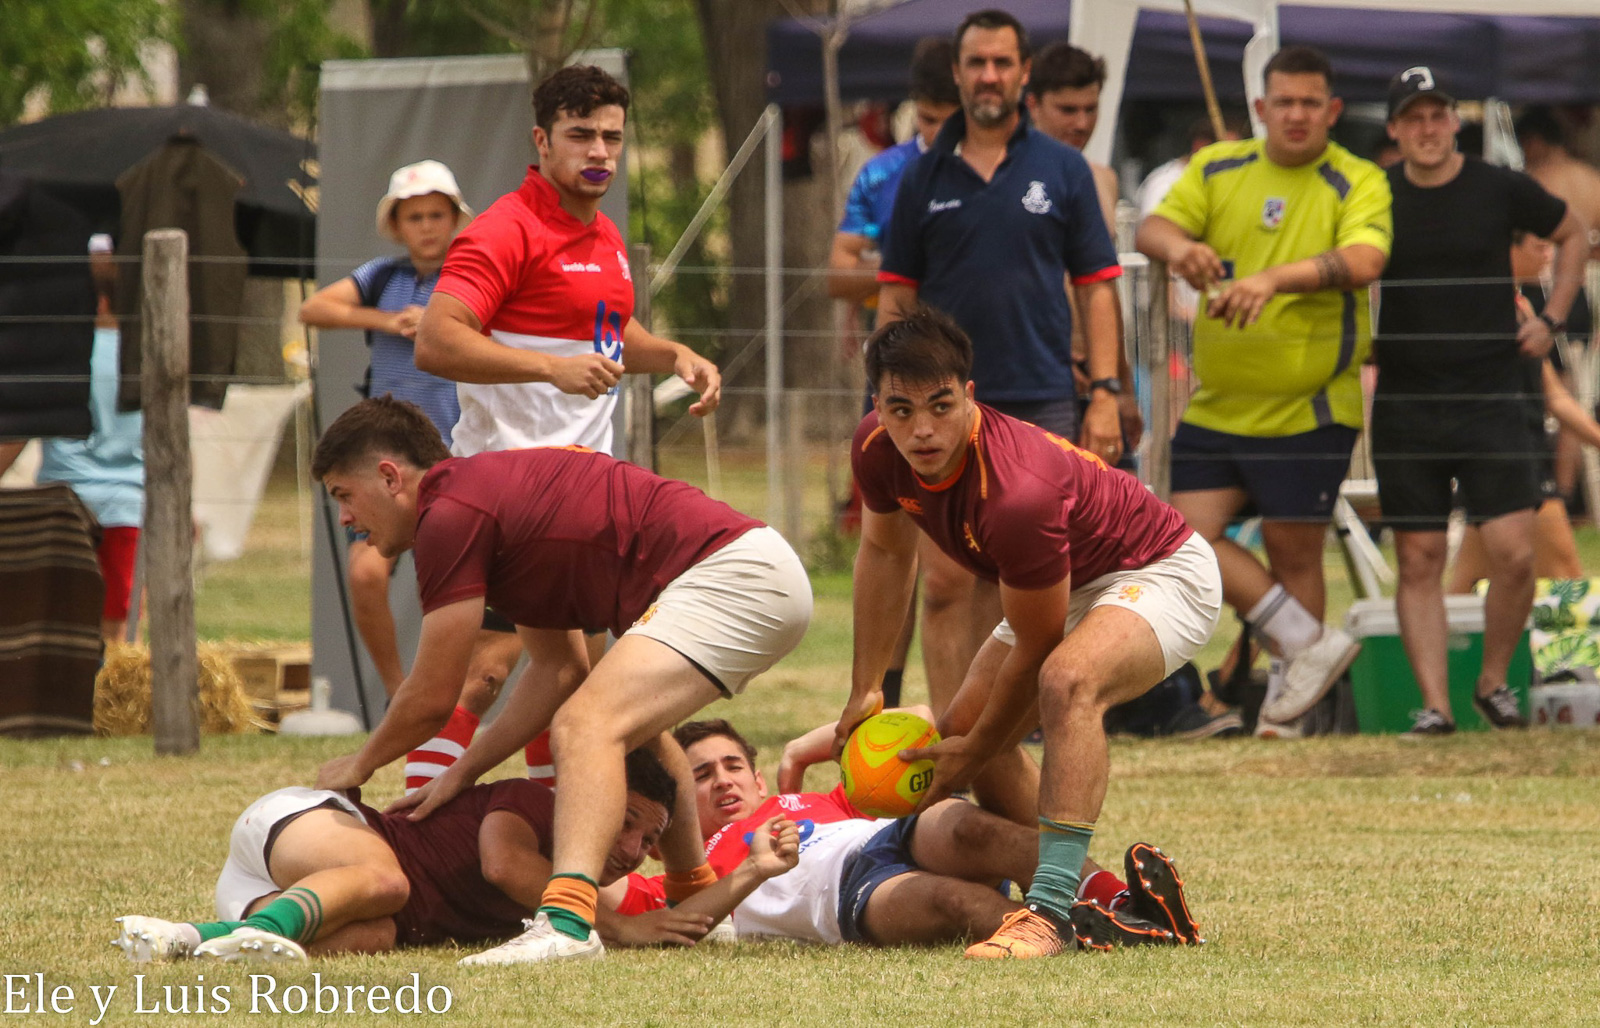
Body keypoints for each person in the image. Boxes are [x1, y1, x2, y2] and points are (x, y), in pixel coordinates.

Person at [308, 396, 812, 965]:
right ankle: (697, 900)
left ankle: (567, 924)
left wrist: (360, 763)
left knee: (587, 723)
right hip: (753, 570)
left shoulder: (448, 515)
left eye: (343, 496)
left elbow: (431, 696)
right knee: (622, 723)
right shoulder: (484, 502)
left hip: (735, 575)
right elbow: (557, 669)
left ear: (389, 476)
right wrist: (465, 771)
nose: (346, 519)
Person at [833, 306, 1220, 959]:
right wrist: (866, 687)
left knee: (1066, 684)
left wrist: (979, 747)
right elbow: (886, 554)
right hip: (1066, 584)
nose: (922, 429)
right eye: (901, 410)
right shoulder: (875, 448)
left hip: (1159, 572)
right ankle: (1111, 901)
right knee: (959, 739)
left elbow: (1040, 649)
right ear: (878, 404)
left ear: (970, 396)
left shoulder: (1017, 493)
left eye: (941, 405)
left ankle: (1046, 913)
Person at [413, 64, 723, 787]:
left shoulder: (606, 235)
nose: (600, 152)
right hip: (507, 493)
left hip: (581, 500)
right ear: (541, 140)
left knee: (578, 680)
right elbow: (437, 339)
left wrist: (674, 353)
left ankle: (551, 820)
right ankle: (415, 822)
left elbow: (608, 338)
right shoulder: (504, 230)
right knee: (496, 670)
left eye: (612, 138)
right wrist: (546, 370)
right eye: (581, 134)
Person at [1135, 45, 1392, 734]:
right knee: (1180, 542)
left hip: (1306, 405)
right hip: (1217, 403)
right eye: (1286, 102)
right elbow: (1151, 226)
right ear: (1261, 108)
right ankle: (1310, 646)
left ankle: (1291, 712)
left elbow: (1367, 259)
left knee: (1292, 553)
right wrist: (1178, 249)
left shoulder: (1356, 177)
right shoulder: (1219, 166)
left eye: (1312, 103)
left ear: (1333, 110)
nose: (1298, 115)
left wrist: (1272, 279)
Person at [877, 10, 1125, 717]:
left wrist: (1104, 391)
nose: (990, 76)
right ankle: (957, 739)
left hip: (1041, 397)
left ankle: (1020, 724)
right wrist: (889, 401)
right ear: (957, 74)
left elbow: (1097, 287)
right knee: (948, 583)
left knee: (1031, 573)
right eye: (977, 63)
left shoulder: (1064, 168)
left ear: (1023, 73)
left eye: (1002, 63)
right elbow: (896, 298)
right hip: (941, 409)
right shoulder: (921, 177)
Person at [112, 749, 793, 961]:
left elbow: (675, 920)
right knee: (386, 883)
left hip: (304, 897)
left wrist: (756, 871)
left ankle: (193, 939)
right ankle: (258, 933)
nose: (633, 850)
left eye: (648, 841)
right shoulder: (533, 805)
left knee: (377, 931)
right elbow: (503, 866)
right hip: (306, 827)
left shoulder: (582, 879)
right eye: (626, 824)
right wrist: (614, 926)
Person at [1377, 68, 1590, 736]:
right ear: (1394, 129)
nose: (1428, 128)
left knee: (1524, 554)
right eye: (1414, 117)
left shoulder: (1498, 186)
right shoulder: (1373, 196)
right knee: (1420, 559)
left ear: (1454, 122)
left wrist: (1551, 319)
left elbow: (1575, 232)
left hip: (1494, 398)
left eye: (1437, 115)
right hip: (1408, 402)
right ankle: (1437, 706)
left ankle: (1499, 680)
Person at [299, 160, 521, 792]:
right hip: (386, 468)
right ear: (396, 225)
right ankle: (405, 694)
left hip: (451, 459)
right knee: (367, 570)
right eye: (414, 216)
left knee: (464, 598)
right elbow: (315, 308)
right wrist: (385, 321)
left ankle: (435, 700)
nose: (426, 227)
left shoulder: (466, 280)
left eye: (436, 215)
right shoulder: (383, 279)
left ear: (455, 221)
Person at [607, 719, 1200, 951]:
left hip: (885, 836)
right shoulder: (687, 877)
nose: (723, 782)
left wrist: (797, 755)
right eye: (701, 777)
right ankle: (1115, 935)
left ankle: (1117, 901)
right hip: (846, 899)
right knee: (956, 903)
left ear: (759, 779)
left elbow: (915, 721)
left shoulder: (811, 798)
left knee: (969, 825)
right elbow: (606, 900)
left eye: (734, 766)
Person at [828, 36, 959, 708]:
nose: (936, 133)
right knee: (893, 539)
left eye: (949, 117)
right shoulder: (886, 176)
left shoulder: (985, 174)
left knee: (952, 571)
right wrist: (904, 277)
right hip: (902, 376)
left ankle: (966, 717)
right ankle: (885, 692)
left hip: (964, 380)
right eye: (927, 118)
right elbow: (837, 271)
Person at [1022, 42, 1143, 476]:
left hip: (1099, 376)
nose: (1082, 123)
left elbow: (1102, 289)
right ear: (1033, 103)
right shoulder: (1008, 176)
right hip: (1036, 376)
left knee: (1118, 518)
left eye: (1090, 109)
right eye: (1067, 109)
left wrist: (1121, 387)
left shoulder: (1100, 178)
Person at [34, 233, 143, 643]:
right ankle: (108, 705)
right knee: (118, 633)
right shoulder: (146, 356)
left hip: (63, 504)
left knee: (58, 625)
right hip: (129, 505)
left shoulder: (61, 354)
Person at [1516, 106, 1600, 261]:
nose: (1524, 154)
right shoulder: (1593, 180)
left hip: (1545, 271)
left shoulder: (1534, 180)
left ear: (1533, 141)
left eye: (1524, 146)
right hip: (1580, 270)